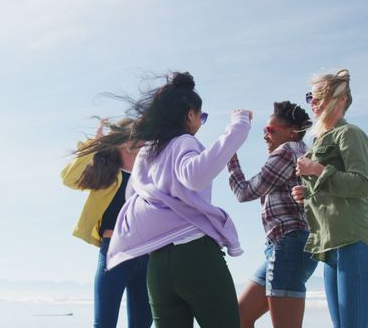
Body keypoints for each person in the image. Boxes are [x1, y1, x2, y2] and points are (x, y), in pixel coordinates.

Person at [105, 71, 252, 328]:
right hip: (195, 255)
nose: (200, 122)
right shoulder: (185, 141)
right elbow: (194, 176)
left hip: (158, 264)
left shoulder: (147, 152)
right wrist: (239, 126)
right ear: (189, 115)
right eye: (201, 116)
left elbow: (132, 195)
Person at [292, 69, 368, 328]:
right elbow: (332, 190)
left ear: (341, 99)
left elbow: (362, 184)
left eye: (320, 95)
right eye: (310, 95)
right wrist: (306, 193)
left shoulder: (349, 133)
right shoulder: (320, 139)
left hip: (354, 240)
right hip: (330, 245)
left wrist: (317, 170)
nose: (313, 102)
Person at [227, 101, 317, 328]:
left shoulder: (288, 151)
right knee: (239, 317)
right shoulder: (299, 152)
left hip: (290, 244)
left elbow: (245, 192)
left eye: (270, 130)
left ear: (292, 132)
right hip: (283, 246)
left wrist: (229, 156)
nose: (265, 136)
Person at [61, 118, 152, 328]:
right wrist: (94, 146)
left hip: (146, 256)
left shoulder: (150, 176)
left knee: (142, 325)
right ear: (119, 141)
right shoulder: (106, 174)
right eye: (131, 134)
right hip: (114, 253)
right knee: (104, 324)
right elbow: (69, 178)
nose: (138, 139)